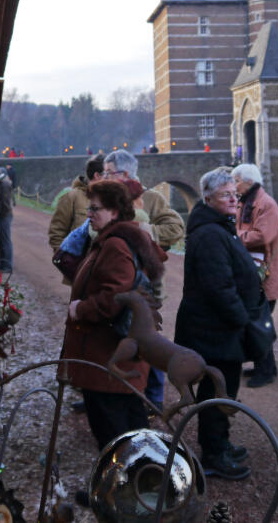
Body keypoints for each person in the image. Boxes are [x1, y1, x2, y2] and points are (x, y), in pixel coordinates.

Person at [58, 180, 166, 450]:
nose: (89, 214)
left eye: (96, 209)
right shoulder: (111, 240)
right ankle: (136, 486)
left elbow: (115, 297)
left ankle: (121, 489)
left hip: (108, 361)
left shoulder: (115, 245)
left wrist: (80, 308)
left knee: (115, 437)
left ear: (115, 212)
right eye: (88, 209)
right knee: (129, 432)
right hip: (113, 362)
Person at [174, 167, 263, 480]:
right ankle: (213, 454)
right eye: (226, 195)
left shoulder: (217, 226)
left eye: (235, 194)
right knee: (216, 390)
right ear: (208, 197)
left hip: (217, 328)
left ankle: (220, 443)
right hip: (212, 329)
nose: (233, 200)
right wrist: (244, 320)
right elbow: (218, 287)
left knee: (224, 386)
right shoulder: (210, 233)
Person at [102, 150, 185, 409]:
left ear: (124, 174)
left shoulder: (151, 198)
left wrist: (146, 232)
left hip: (146, 288)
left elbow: (176, 228)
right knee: (111, 338)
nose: (103, 177)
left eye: (107, 172)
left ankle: (154, 401)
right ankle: (114, 391)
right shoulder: (106, 200)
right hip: (115, 284)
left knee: (147, 342)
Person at [231, 164, 278, 388]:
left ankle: (265, 370)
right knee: (257, 321)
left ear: (249, 182)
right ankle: (264, 366)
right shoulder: (246, 201)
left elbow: (262, 236)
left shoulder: (266, 204)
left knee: (258, 323)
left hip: (266, 273)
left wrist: (233, 236)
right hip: (255, 272)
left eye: (236, 180)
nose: (234, 184)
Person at [48, 154, 105, 254]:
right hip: (78, 267)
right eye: (107, 174)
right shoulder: (71, 197)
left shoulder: (110, 200)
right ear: (97, 176)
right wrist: (69, 262)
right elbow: (56, 234)